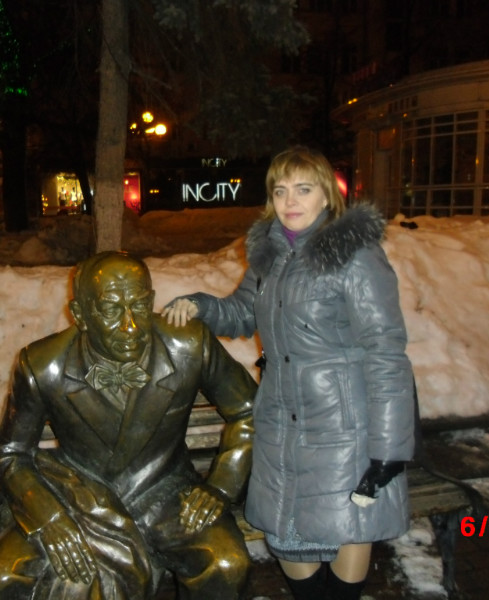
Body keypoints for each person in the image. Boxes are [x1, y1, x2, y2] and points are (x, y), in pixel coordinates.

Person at [162, 146, 415, 600]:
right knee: (286, 536)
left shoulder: (354, 254)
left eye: (303, 189)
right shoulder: (272, 254)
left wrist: (388, 450)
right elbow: (244, 312)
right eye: (280, 191)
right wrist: (199, 305)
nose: (290, 201)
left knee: (347, 529)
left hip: (344, 426)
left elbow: (386, 352)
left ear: (327, 195)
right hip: (282, 419)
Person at [0, 251, 257, 600]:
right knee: (1, 577)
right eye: (110, 310)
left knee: (226, 563)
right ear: (79, 315)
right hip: (79, 495)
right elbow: (9, 452)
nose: (130, 326)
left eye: (140, 305)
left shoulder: (189, 343)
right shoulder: (43, 364)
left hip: (165, 492)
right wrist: (49, 518)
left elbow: (248, 411)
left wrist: (220, 487)